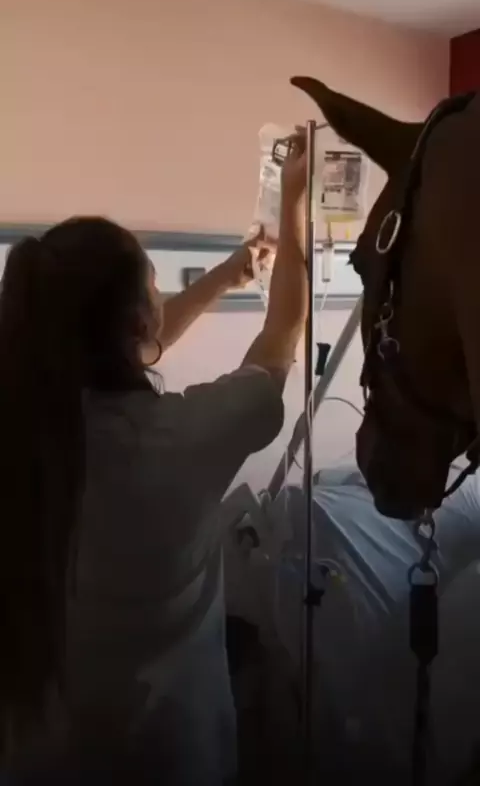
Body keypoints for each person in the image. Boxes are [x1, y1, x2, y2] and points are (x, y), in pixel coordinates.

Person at [0, 133, 307, 785]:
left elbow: (125, 344)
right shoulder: (178, 440)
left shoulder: (21, 430)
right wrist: (295, 204)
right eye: (154, 287)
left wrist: (227, 274)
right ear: (140, 321)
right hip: (166, 758)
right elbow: (282, 333)